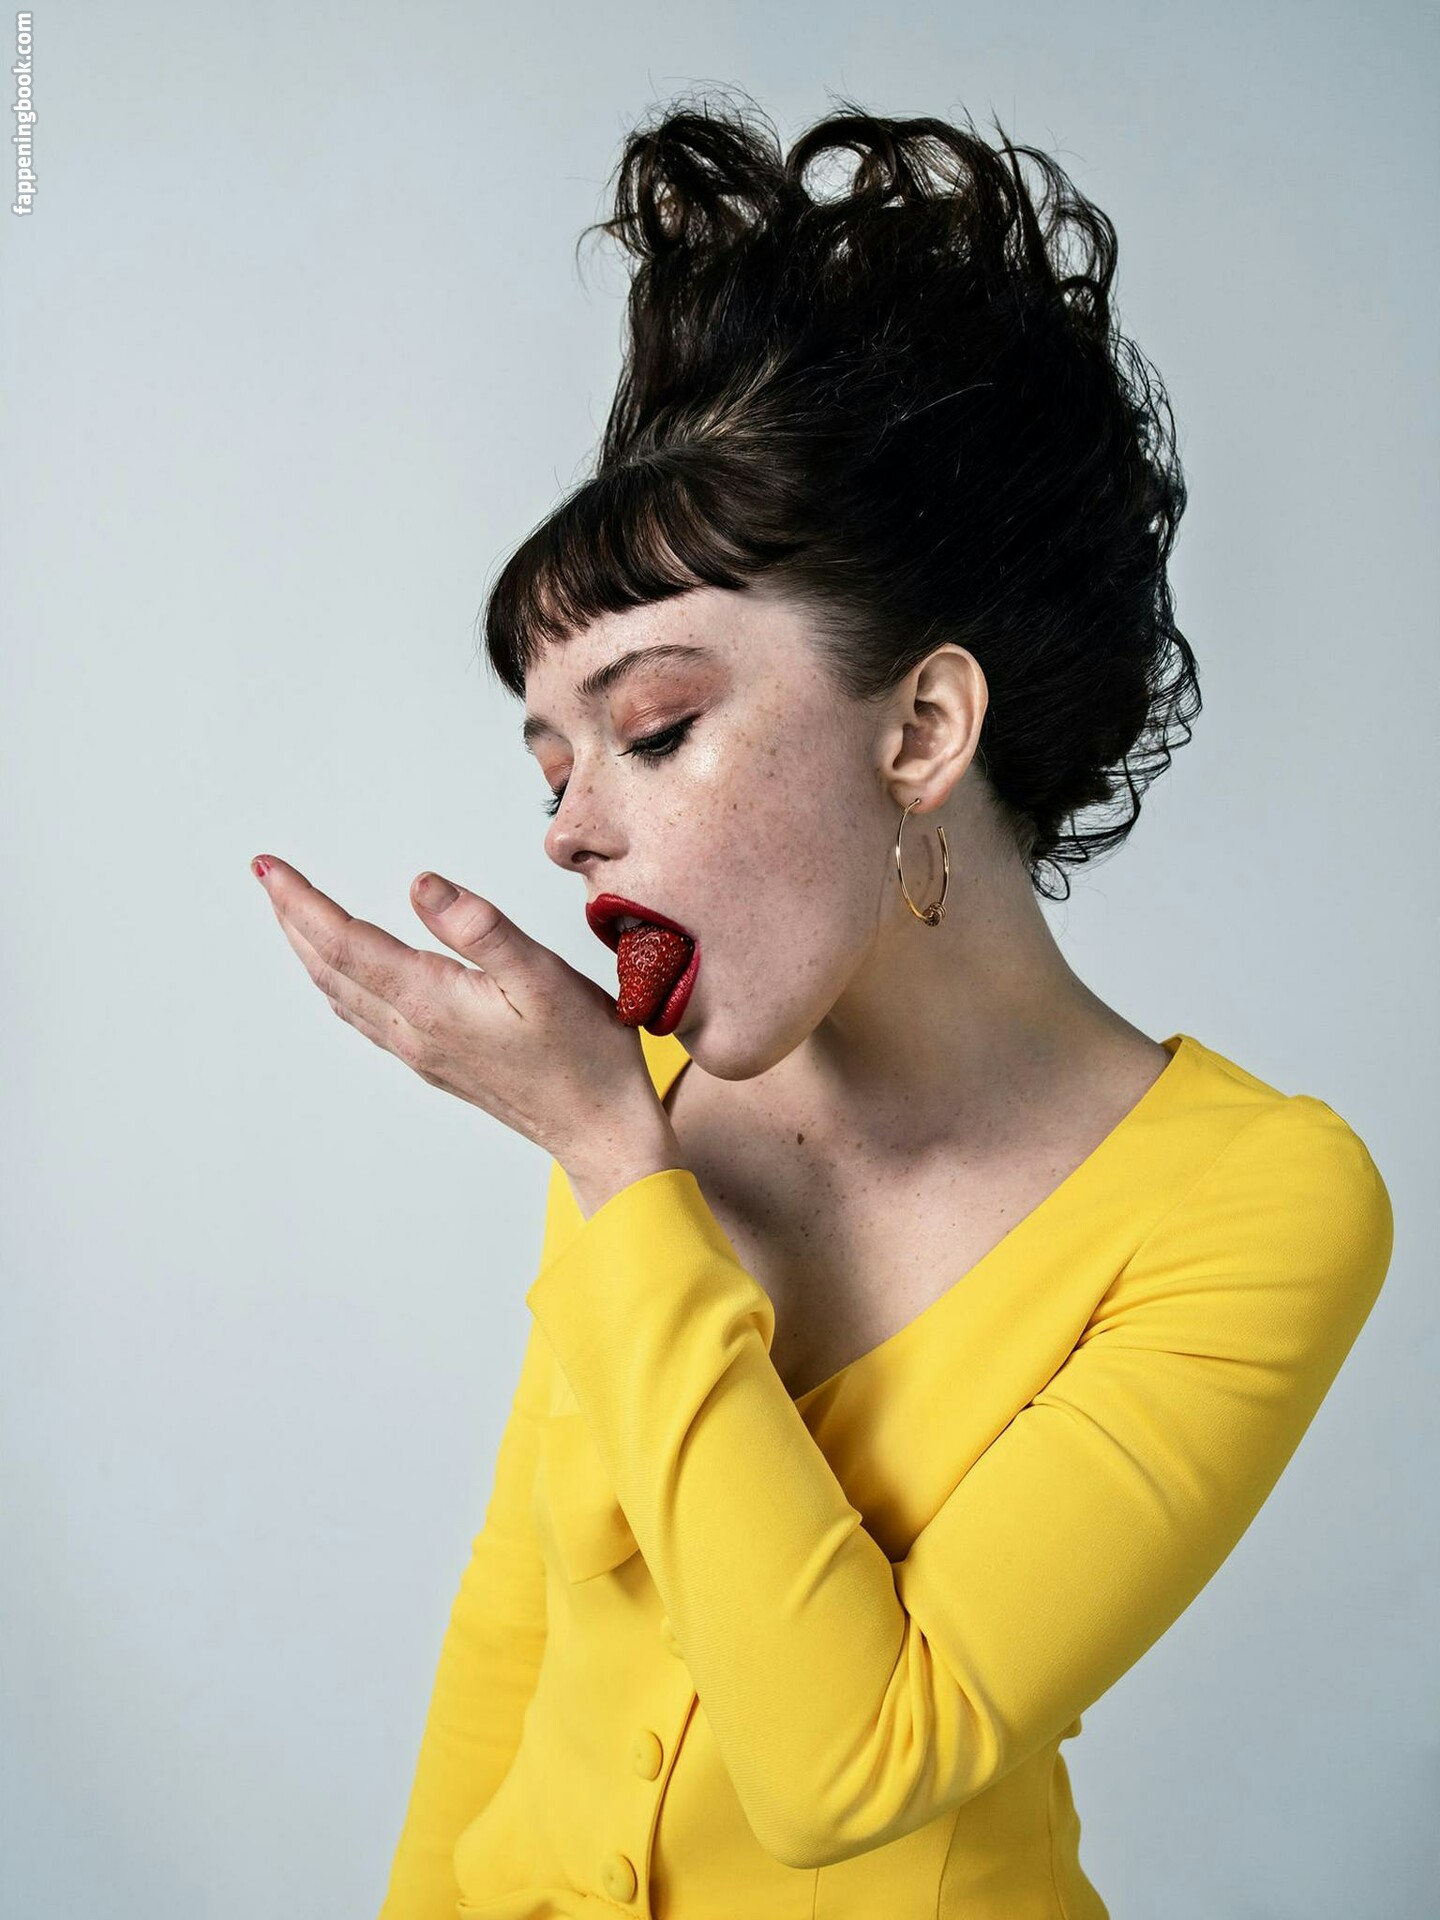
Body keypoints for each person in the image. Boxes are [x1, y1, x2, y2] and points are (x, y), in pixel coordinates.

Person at [252, 91, 1395, 1919]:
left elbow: (851, 1763)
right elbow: (514, 1636)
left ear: (923, 727)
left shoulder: (1259, 1203)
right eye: (550, 762)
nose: (567, 829)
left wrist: (621, 1175)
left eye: (653, 729)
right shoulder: (634, 1082)